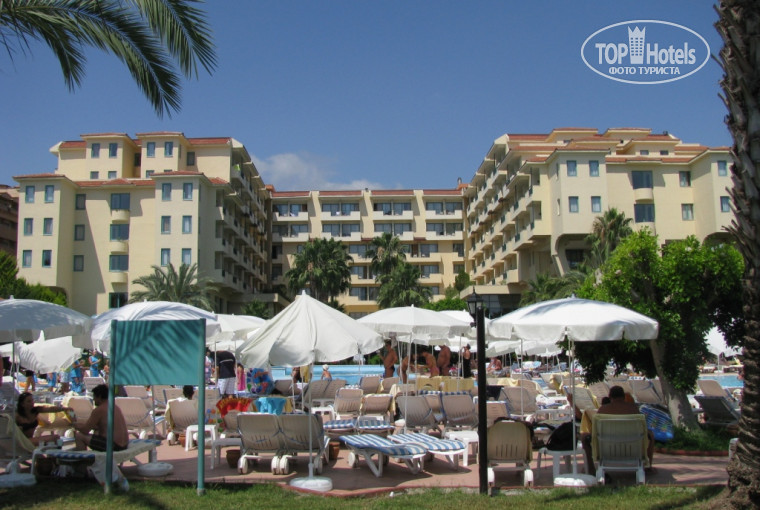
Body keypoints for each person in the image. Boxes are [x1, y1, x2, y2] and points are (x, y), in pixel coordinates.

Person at [581, 385, 655, 473]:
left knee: (584, 437)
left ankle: (591, 469)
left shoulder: (603, 410)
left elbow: (595, 431)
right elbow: (643, 429)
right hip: (631, 450)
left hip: (608, 450)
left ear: (610, 397)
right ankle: (648, 467)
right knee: (650, 434)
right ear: (624, 397)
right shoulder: (633, 409)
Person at [74, 384, 128, 451]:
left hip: (114, 446)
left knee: (79, 436)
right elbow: (97, 426)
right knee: (97, 431)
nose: (93, 399)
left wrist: (75, 425)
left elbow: (85, 430)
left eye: (94, 397)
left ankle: (82, 457)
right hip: (123, 445)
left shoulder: (99, 410)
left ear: (99, 397)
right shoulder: (115, 407)